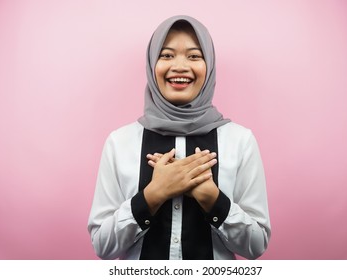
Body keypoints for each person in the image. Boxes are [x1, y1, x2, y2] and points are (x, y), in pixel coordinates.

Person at [88, 15, 271, 260]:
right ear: (152, 63)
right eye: (166, 55)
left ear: (209, 65)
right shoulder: (119, 142)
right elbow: (103, 246)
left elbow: (256, 245)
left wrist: (213, 200)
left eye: (194, 56)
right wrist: (153, 195)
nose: (180, 66)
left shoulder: (240, 141)